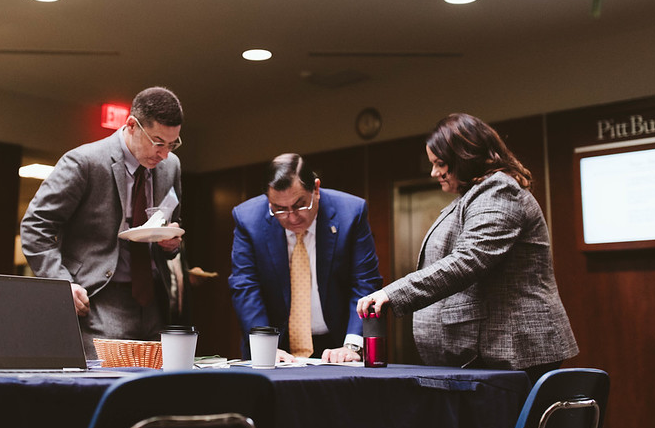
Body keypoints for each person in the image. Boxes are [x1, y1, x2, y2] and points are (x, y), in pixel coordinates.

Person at [356, 113, 578, 383]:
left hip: (517, 349)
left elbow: (468, 260)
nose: (434, 172)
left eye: (440, 164)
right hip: (497, 351)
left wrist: (393, 293)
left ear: (465, 157)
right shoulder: (475, 196)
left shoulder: (498, 190)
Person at [20, 86, 186, 357]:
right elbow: (35, 225)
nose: (164, 154)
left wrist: (171, 244)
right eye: (158, 142)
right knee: (106, 388)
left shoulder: (171, 166)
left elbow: (172, 221)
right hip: (99, 298)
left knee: (155, 393)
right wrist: (62, 283)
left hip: (156, 300)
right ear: (132, 125)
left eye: (173, 144)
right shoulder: (84, 162)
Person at [230, 153, 383, 363]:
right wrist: (265, 344)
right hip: (274, 346)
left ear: (316, 189)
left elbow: (365, 283)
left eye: (300, 205)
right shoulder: (248, 219)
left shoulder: (351, 213)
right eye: (280, 209)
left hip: (337, 345)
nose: (291, 217)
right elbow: (245, 286)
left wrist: (352, 345)